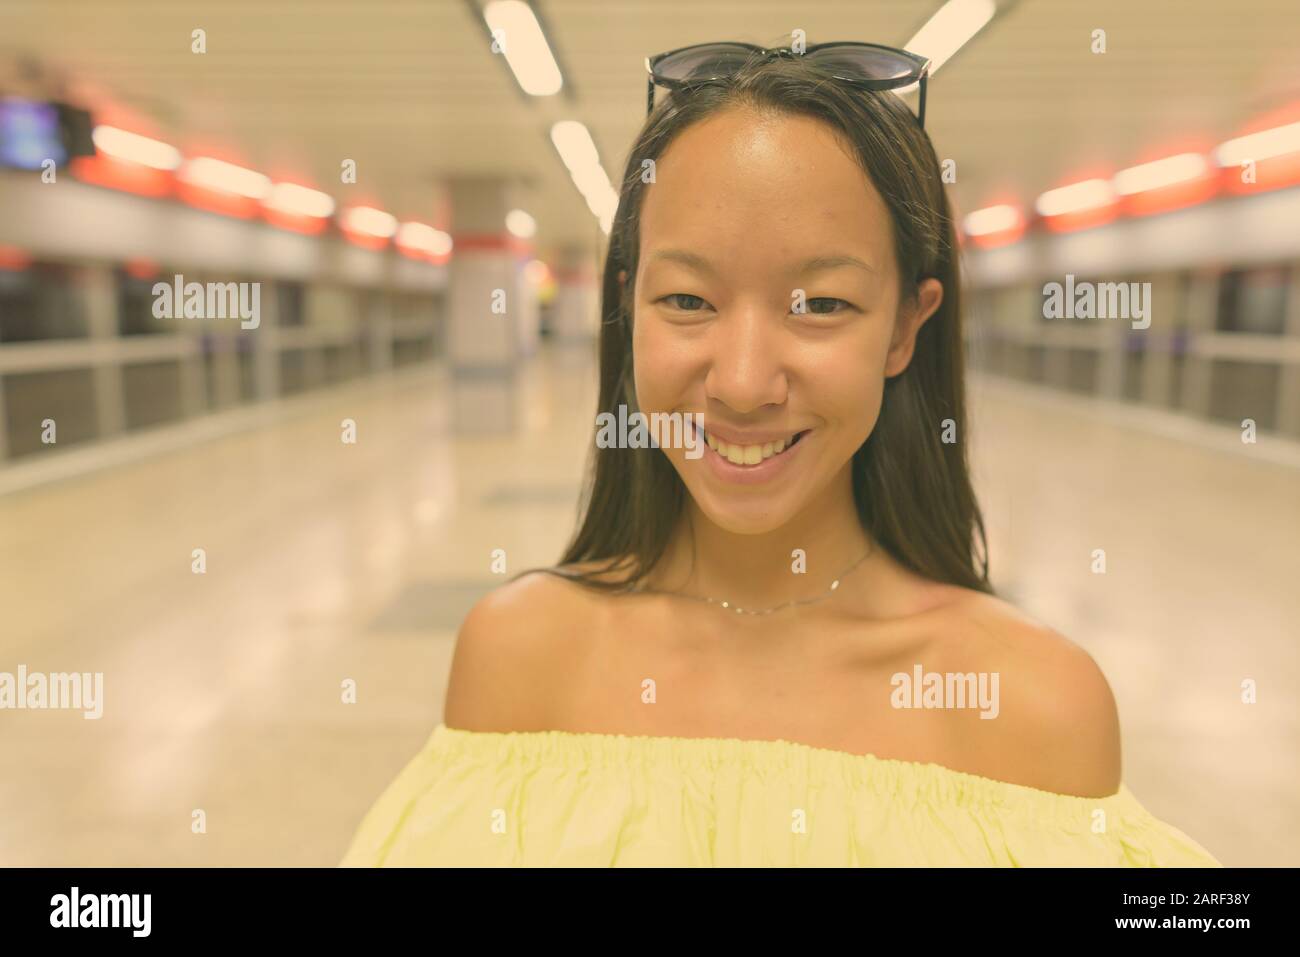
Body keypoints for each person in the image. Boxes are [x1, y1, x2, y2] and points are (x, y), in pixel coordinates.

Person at [340, 43, 1221, 867]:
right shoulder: (518, 657)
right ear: (627, 306)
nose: (744, 381)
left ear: (906, 328)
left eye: (822, 305)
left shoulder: (1030, 703)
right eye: (687, 298)